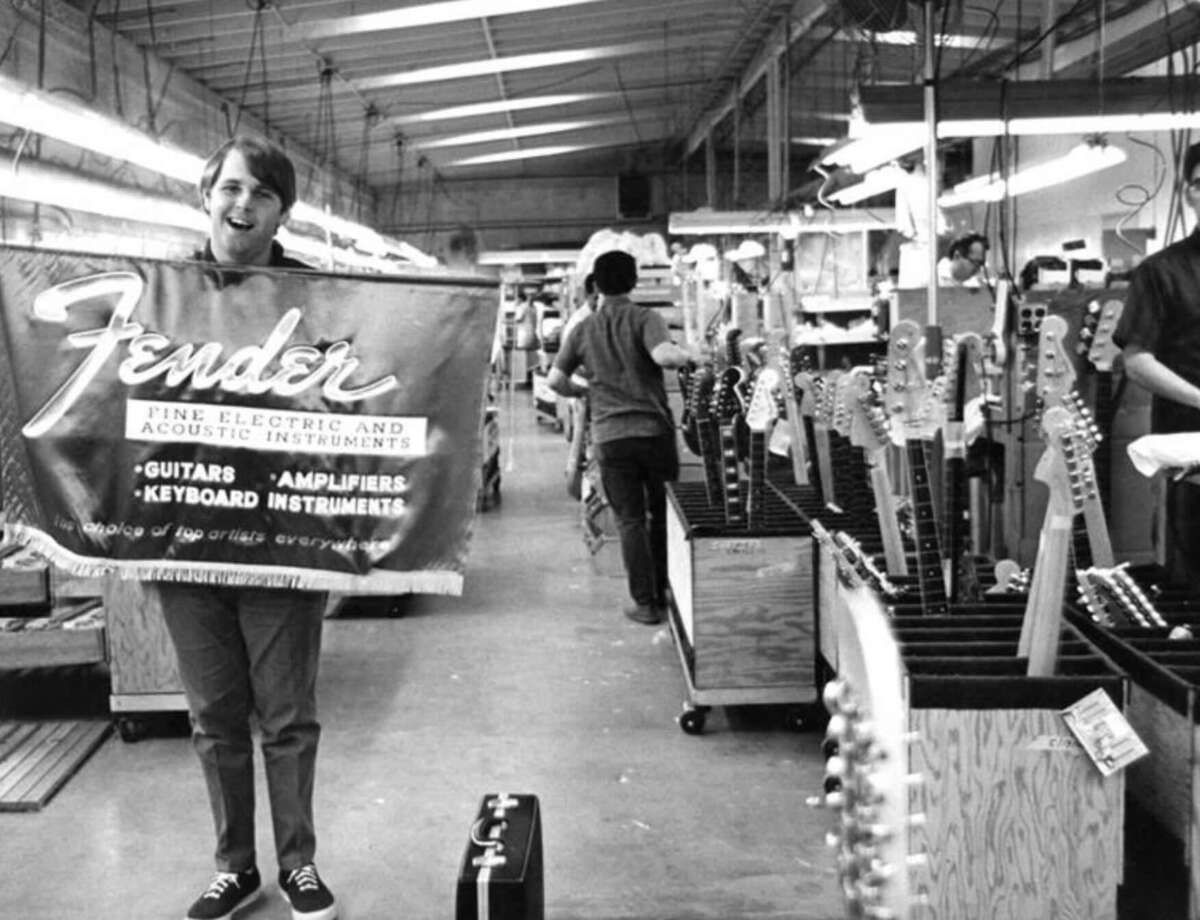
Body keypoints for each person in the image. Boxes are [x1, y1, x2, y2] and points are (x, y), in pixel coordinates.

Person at [160, 135, 338, 920]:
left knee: (288, 716)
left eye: (260, 194)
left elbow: (353, 398)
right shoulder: (162, 290)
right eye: (230, 188)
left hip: (280, 534)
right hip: (183, 535)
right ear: (207, 197)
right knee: (215, 718)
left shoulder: (322, 296)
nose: (242, 205)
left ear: (282, 210)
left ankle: (297, 863)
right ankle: (236, 866)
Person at [547, 250, 702, 625]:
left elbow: (554, 380)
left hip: (611, 438)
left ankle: (645, 604)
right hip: (653, 433)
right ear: (633, 282)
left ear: (596, 285)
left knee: (630, 520)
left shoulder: (583, 330)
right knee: (663, 515)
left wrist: (584, 392)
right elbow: (665, 356)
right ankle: (670, 591)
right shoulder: (645, 318)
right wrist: (694, 355)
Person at [1113, 141, 1200, 592]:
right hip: (1190, 458)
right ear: (1188, 193)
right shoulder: (1161, 273)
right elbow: (1138, 361)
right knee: (1191, 586)